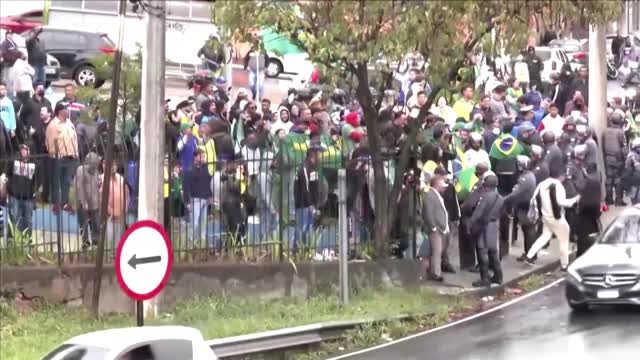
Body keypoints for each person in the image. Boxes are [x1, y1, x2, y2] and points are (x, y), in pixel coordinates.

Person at [525, 171, 580, 269]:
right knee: (563, 241)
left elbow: (535, 197)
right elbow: (562, 202)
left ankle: (529, 256)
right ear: (561, 175)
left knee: (545, 236)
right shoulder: (558, 186)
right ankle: (565, 264)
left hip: (546, 216)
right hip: (557, 218)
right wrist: (575, 199)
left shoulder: (542, 184)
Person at [468, 172, 504, 287]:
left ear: (485, 184)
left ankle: (485, 278)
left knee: (482, 251)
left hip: (484, 227)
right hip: (495, 226)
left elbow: (479, 212)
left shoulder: (485, 197)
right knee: (494, 252)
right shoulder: (500, 198)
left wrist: (470, 223)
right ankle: (498, 277)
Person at [568, 144, 602, 257]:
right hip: (576, 199)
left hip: (581, 203)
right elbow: (572, 183)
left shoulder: (583, 169)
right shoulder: (572, 167)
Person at [46, 102, 79, 213]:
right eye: (65, 109)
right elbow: (50, 141)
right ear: (60, 111)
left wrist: (76, 152)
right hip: (58, 157)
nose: (67, 111)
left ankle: (64, 203)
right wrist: (53, 153)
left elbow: (74, 138)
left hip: (71, 157)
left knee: (67, 182)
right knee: (56, 181)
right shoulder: (53, 124)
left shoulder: (69, 122)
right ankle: (56, 204)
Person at [504, 156, 538, 262]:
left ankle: (531, 255)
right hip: (525, 206)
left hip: (525, 207)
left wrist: (503, 199)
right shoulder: (528, 175)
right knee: (527, 230)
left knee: (529, 231)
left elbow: (516, 194)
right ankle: (529, 253)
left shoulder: (525, 178)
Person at [293, 143, 322, 252]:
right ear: (312, 154)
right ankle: (298, 250)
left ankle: (307, 250)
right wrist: (310, 205)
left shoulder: (313, 167)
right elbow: (305, 188)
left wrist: (316, 204)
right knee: (302, 228)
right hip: (303, 204)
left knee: (309, 228)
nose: (320, 155)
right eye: (318, 153)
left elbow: (315, 186)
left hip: (312, 204)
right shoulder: (304, 168)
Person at [422, 175, 450, 282]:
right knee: (436, 251)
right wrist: (433, 227)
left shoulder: (436, 195)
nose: (444, 188)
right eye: (442, 185)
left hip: (441, 228)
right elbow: (428, 212)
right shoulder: (429, 195)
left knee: (438, 251)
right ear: (437, 184)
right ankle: (435, 273)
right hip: (436, 229)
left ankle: (434, 271)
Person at [183, 147, 212, 247]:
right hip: (195, 200)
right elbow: (185, 186)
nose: (204, 158)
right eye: (202, 156)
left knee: (203, 224)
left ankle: (202, 244)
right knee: (194, 223)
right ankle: (190, 243)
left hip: (204, 198)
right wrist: (187, 202)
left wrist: (209, 196)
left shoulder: (205, 167)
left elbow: (208, 181)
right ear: (196, 157)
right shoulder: (190, 169)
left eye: (204, 156)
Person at [8, 144, 36, 238]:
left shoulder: (33, 164)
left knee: (28, 220)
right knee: (14, 219)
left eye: (26, 149)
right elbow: (8, 175)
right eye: (23, 149)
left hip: (28, 197)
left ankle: (27, 240)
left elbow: (36, 181)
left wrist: (33, 193)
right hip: (15, 196)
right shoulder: (14, 162)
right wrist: (11, 190)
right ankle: (11, 241)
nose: (24, 151)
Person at [75, 152, 101, 249]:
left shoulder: (96, 171)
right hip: (83, 204)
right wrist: (83, 201)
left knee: (96, 223)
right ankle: (85, 242)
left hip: (94, 203)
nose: (97, 164)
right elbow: (79, 187)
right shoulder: (81, 170)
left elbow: (97, 185)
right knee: (84, 224)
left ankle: (96, 241)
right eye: (96, 162)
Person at [602, 111, 628, 206]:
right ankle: (618, 200)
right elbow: (624, 147)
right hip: (618, 159)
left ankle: (608, 199)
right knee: (618, 179)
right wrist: (626, 158)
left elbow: (603, 145)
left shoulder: (605, 131)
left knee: (609, 179)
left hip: (607, 157)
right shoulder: (620, 132)